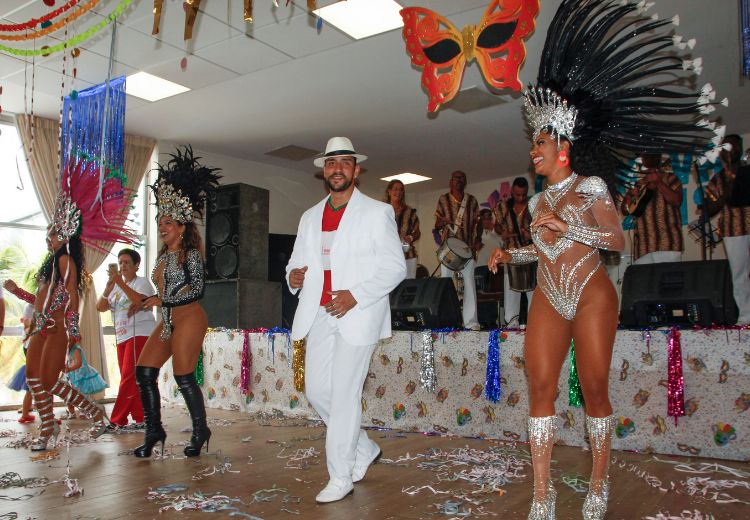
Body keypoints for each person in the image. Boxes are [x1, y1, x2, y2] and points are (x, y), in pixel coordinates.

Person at [488, 2, 725, 518]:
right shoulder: (533, 203)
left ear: (565, 147)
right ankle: (543, 492)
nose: (534, 150)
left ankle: (599, 481)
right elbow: (546, 247)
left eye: (542, 142)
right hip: (550, 294)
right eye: (533, 142)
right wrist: (514, 252)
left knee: (595, 387)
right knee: (540, 386)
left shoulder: (590, 186)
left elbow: (614, 241)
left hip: (593, 293)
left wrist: (568, 224)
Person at [287, 136, 405, 504]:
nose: (337, 168)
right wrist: (292, 276)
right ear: (324, 170)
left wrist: (356, 295)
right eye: (331, 162)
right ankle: (364, 448)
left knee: (343, 396)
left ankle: (341, 475)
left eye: (345, 162)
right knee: (316, 391)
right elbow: (295, 262)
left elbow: (395, 267)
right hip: (319, 314)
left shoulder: (377, 212)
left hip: (359, 315)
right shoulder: (309, 217)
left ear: (356, 170)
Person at [134, 145, 220, 458]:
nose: (162, 225)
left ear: (182, 227)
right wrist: (150, 300)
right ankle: (153, 429)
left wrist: (161, 297)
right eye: (160, 220)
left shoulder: (191, 254)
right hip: (168, 321)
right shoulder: (162, 256)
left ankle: (200, 430)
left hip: (190, 318)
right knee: (143, 372)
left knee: (184, 377)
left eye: (168, 222)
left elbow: (197, 289)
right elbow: (164, 290)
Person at [96, 248, 157, 429]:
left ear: (136, 265)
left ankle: (117, 419)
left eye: (126, 263)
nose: (122, 266)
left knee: (129, 378)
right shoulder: (115, 286)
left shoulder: (142, 282)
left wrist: (120, 284)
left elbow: (142, 301)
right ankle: (141, 417)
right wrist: (109, 286)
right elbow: (100, 307)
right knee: (130, 378)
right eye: (120, 263)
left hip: (140, 334)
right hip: (122, 336)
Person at [703, 134, 750, 324]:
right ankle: (746, 315)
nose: (731, 150)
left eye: (735, 146)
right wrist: (726, 193)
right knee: (739, 273)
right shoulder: (718, 179)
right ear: (721, 152)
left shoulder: (747, 172)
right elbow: (709, 209)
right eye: (727, 146)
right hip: (732, 229)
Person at [434, 170, 481, 329]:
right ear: (451, 181)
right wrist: (443, 222)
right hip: (448, 248)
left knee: (469, 282)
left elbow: (478, 223)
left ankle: (471, 321)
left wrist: (477, 241)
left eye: (462, 178)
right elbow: (437, 225)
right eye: (456, 178)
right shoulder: (443, 199)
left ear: (465, 181)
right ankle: (446, 319)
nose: (459, 180)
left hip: (467, 248)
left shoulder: (472, 201)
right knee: (446, 283)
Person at [621, 154, 684, 264]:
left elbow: (677, 201)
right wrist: (629, 196)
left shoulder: (671, 178)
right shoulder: (639, 184)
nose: (647, 158)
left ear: (658, 158)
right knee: (644, 281)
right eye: (645, 155)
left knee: (669, 281)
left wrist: (659, 182)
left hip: (668, 244)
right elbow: (625, 211)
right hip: (642, 247)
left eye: (650, 154)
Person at [494, 177, 534, 327]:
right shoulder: (503, 207)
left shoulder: (533, 206)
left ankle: (534, 323)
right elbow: (497, 226)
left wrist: (530, 235)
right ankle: (511, 323)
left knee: (533, 290)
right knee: (511, 289)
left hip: (530, 254)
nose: (521, 198)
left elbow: (542, 230)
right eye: (517, 195)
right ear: (512, 192)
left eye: (523, 195)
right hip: (509, 254)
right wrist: (502, 231)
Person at [3, 280, 35, 424]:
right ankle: (29, 412)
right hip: (33, 346)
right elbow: (27, 324)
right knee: (35, 383)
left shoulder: (36, 304)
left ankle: (28, 410)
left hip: (31, 345)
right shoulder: (35, 305)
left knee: (35, 383)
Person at [384, 179, 421, 279]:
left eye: (401, 190)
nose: (398, 192)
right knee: (391, 285)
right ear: (389, 191)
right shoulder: (381, 210)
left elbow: (417, 232)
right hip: (387, 256)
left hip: (408, 256)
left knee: (408, 287)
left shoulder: (409, 212)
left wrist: (410, 237)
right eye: (395, 189)